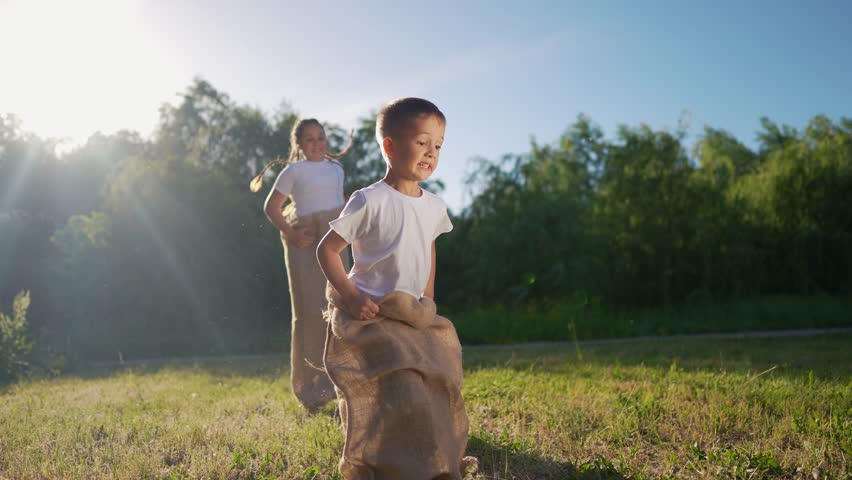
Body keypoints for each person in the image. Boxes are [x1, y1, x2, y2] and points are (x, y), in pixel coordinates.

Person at [317, 98, 474, 479]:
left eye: (438, 145)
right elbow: (328, 250)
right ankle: (375, 455)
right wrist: (352, 296)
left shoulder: (434, 207)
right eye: (422, 142)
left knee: (431, 378)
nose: (431, 152)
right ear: (389, 146)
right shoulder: (369, 200)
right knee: (396, 384)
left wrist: (429, 298)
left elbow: (429, 249)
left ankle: (429, 453)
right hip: (373, 312)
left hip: (412, 313)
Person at [253, 118, 351, 412]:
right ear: (298, 144)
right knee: (310, 312)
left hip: (334, 239)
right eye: (309, 138)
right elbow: (271, 207)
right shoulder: (293, 171)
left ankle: (340, 384)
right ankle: (309, 389)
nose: (317, 143)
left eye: (320, 137)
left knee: (340, 308)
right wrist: (292, 232)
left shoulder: (337, 169)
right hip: (306, 241)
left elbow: (342, 200)